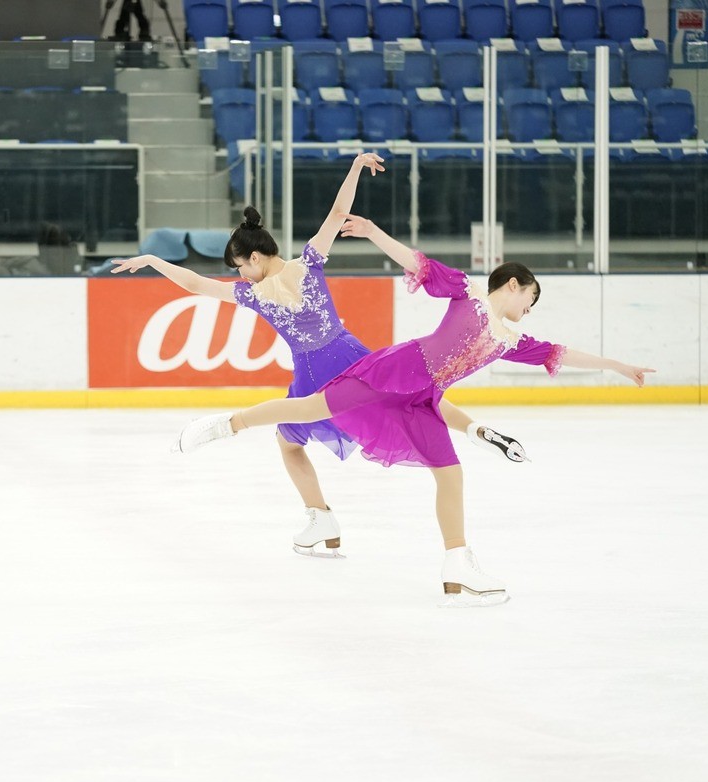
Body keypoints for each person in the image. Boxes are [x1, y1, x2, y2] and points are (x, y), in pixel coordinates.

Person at [173, 214, 654, 606]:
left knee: (449, 474)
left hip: (423, 396)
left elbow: (560, 353)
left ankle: (458, 564)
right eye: (531, 296)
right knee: (308, 406)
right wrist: (374, 232)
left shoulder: (512, 341)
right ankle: (224, 426)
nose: (531, 307)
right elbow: (418, 264)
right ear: (512, 284)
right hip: (396, 372)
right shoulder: (466, 291)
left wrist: (617, 366)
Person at [113, 153, 525, 559]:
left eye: (240, 266)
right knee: (411, 396)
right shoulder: (308, 263)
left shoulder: (253, 293)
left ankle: (320, 515)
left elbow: (197, 285)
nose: (239, 274)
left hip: (311, 373)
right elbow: (338, 211)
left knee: (289, 443)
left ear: (254, 258)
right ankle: (474, 431)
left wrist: (152, 261)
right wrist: (355, 167)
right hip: (350, 356)